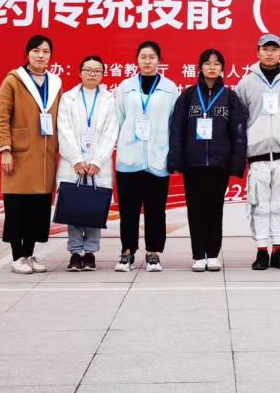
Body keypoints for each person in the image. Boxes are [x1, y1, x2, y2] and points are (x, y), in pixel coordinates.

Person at [168, 49, 248, 272]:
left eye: (216, 63)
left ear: (223, 68)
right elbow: (177, 130)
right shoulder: (188, 96)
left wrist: (236, 163)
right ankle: (198, 255)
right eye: (207, 63)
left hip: (219, 164)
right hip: (193, 164)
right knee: (195, 210)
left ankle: (212, 254)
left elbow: (238, 132)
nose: (212, 67)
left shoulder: (230, 97)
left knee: (215, 209)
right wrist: (176, 161)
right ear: (200, 67)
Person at [236, 33, 280, 270]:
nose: (269, 53)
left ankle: (278, 249)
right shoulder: (246, 83)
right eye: (265, 49)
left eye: (274, 49)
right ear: (257, 52)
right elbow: (241, 117)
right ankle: (261, 251)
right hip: (257, 156)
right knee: (259, 204)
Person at [0, 34, 63, 274]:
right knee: (17, 207)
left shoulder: (55, 83)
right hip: (20, 154)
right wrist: (5, 150)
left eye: (45, 51)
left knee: (37, 208)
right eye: (36, 51)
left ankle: (30, 254)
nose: (40, 56)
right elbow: (1, 117)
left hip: (45, 156)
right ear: (27, 54)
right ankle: (17, 256)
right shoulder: (13, 80)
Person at [113, 41, 179, 273]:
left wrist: (172, 156)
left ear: (159, 60)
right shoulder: (125, 87)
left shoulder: (170, 88)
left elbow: (173, 123)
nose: (147, 61)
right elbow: (119, 119)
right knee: (128, 210)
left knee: (156, 209)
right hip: (128, 159)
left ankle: (153, 253)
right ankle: (127, 252)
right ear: (137, 59)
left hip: (158, 158)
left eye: (151, 57)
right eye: (143, 57)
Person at [56, 55, 118, 272]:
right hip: (73, 162)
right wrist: (76, 159)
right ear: (80, 72)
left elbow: (111, 131)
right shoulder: (68, 98)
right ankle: (75, 253)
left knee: (94, 208)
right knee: (73, 207)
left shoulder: (110, 99)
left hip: (98, 164)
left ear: (103, 74)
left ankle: (90, 252)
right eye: (88, 70)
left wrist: (97, 161)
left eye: (97, 71)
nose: (92, 74)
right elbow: (63, 130)